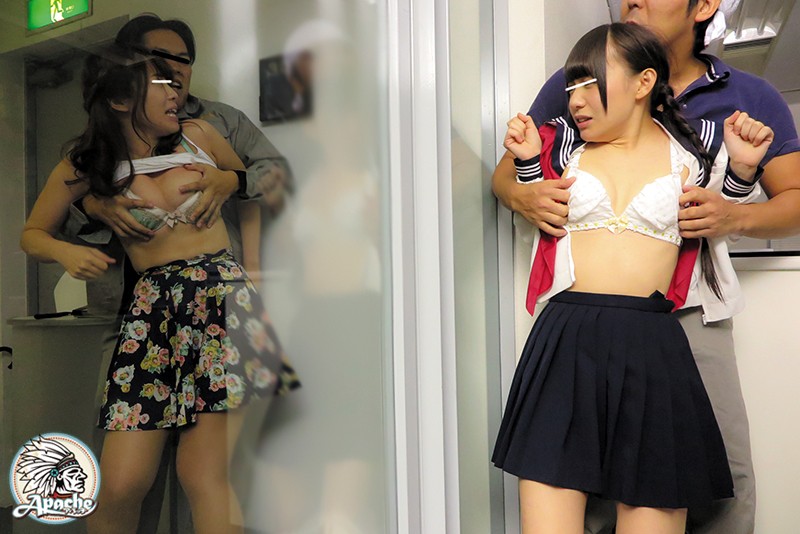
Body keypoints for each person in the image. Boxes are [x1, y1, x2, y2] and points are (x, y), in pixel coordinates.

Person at [491, 1, 800, 532]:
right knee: (570, 485)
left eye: (589, 84)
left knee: (706, 481)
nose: (577, 97)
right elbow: (512, 177)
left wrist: (737, 200)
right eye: (573, 86)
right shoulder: (568, 125)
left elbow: (755, 196)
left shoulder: (718, 127)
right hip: (570, 330)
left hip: (671, 325)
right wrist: (525, 191)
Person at [20, 45, 300, 534]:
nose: (175, 93)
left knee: (202, 474)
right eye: (161, 84)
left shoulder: (199, 135)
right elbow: (33, 234)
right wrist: (64, 252)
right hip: (150, 315)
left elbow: (252, 189)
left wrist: (248, 251)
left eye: (174, 82)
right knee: (121, 483)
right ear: (120, 100)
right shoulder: (85, 164)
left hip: (220, 300)